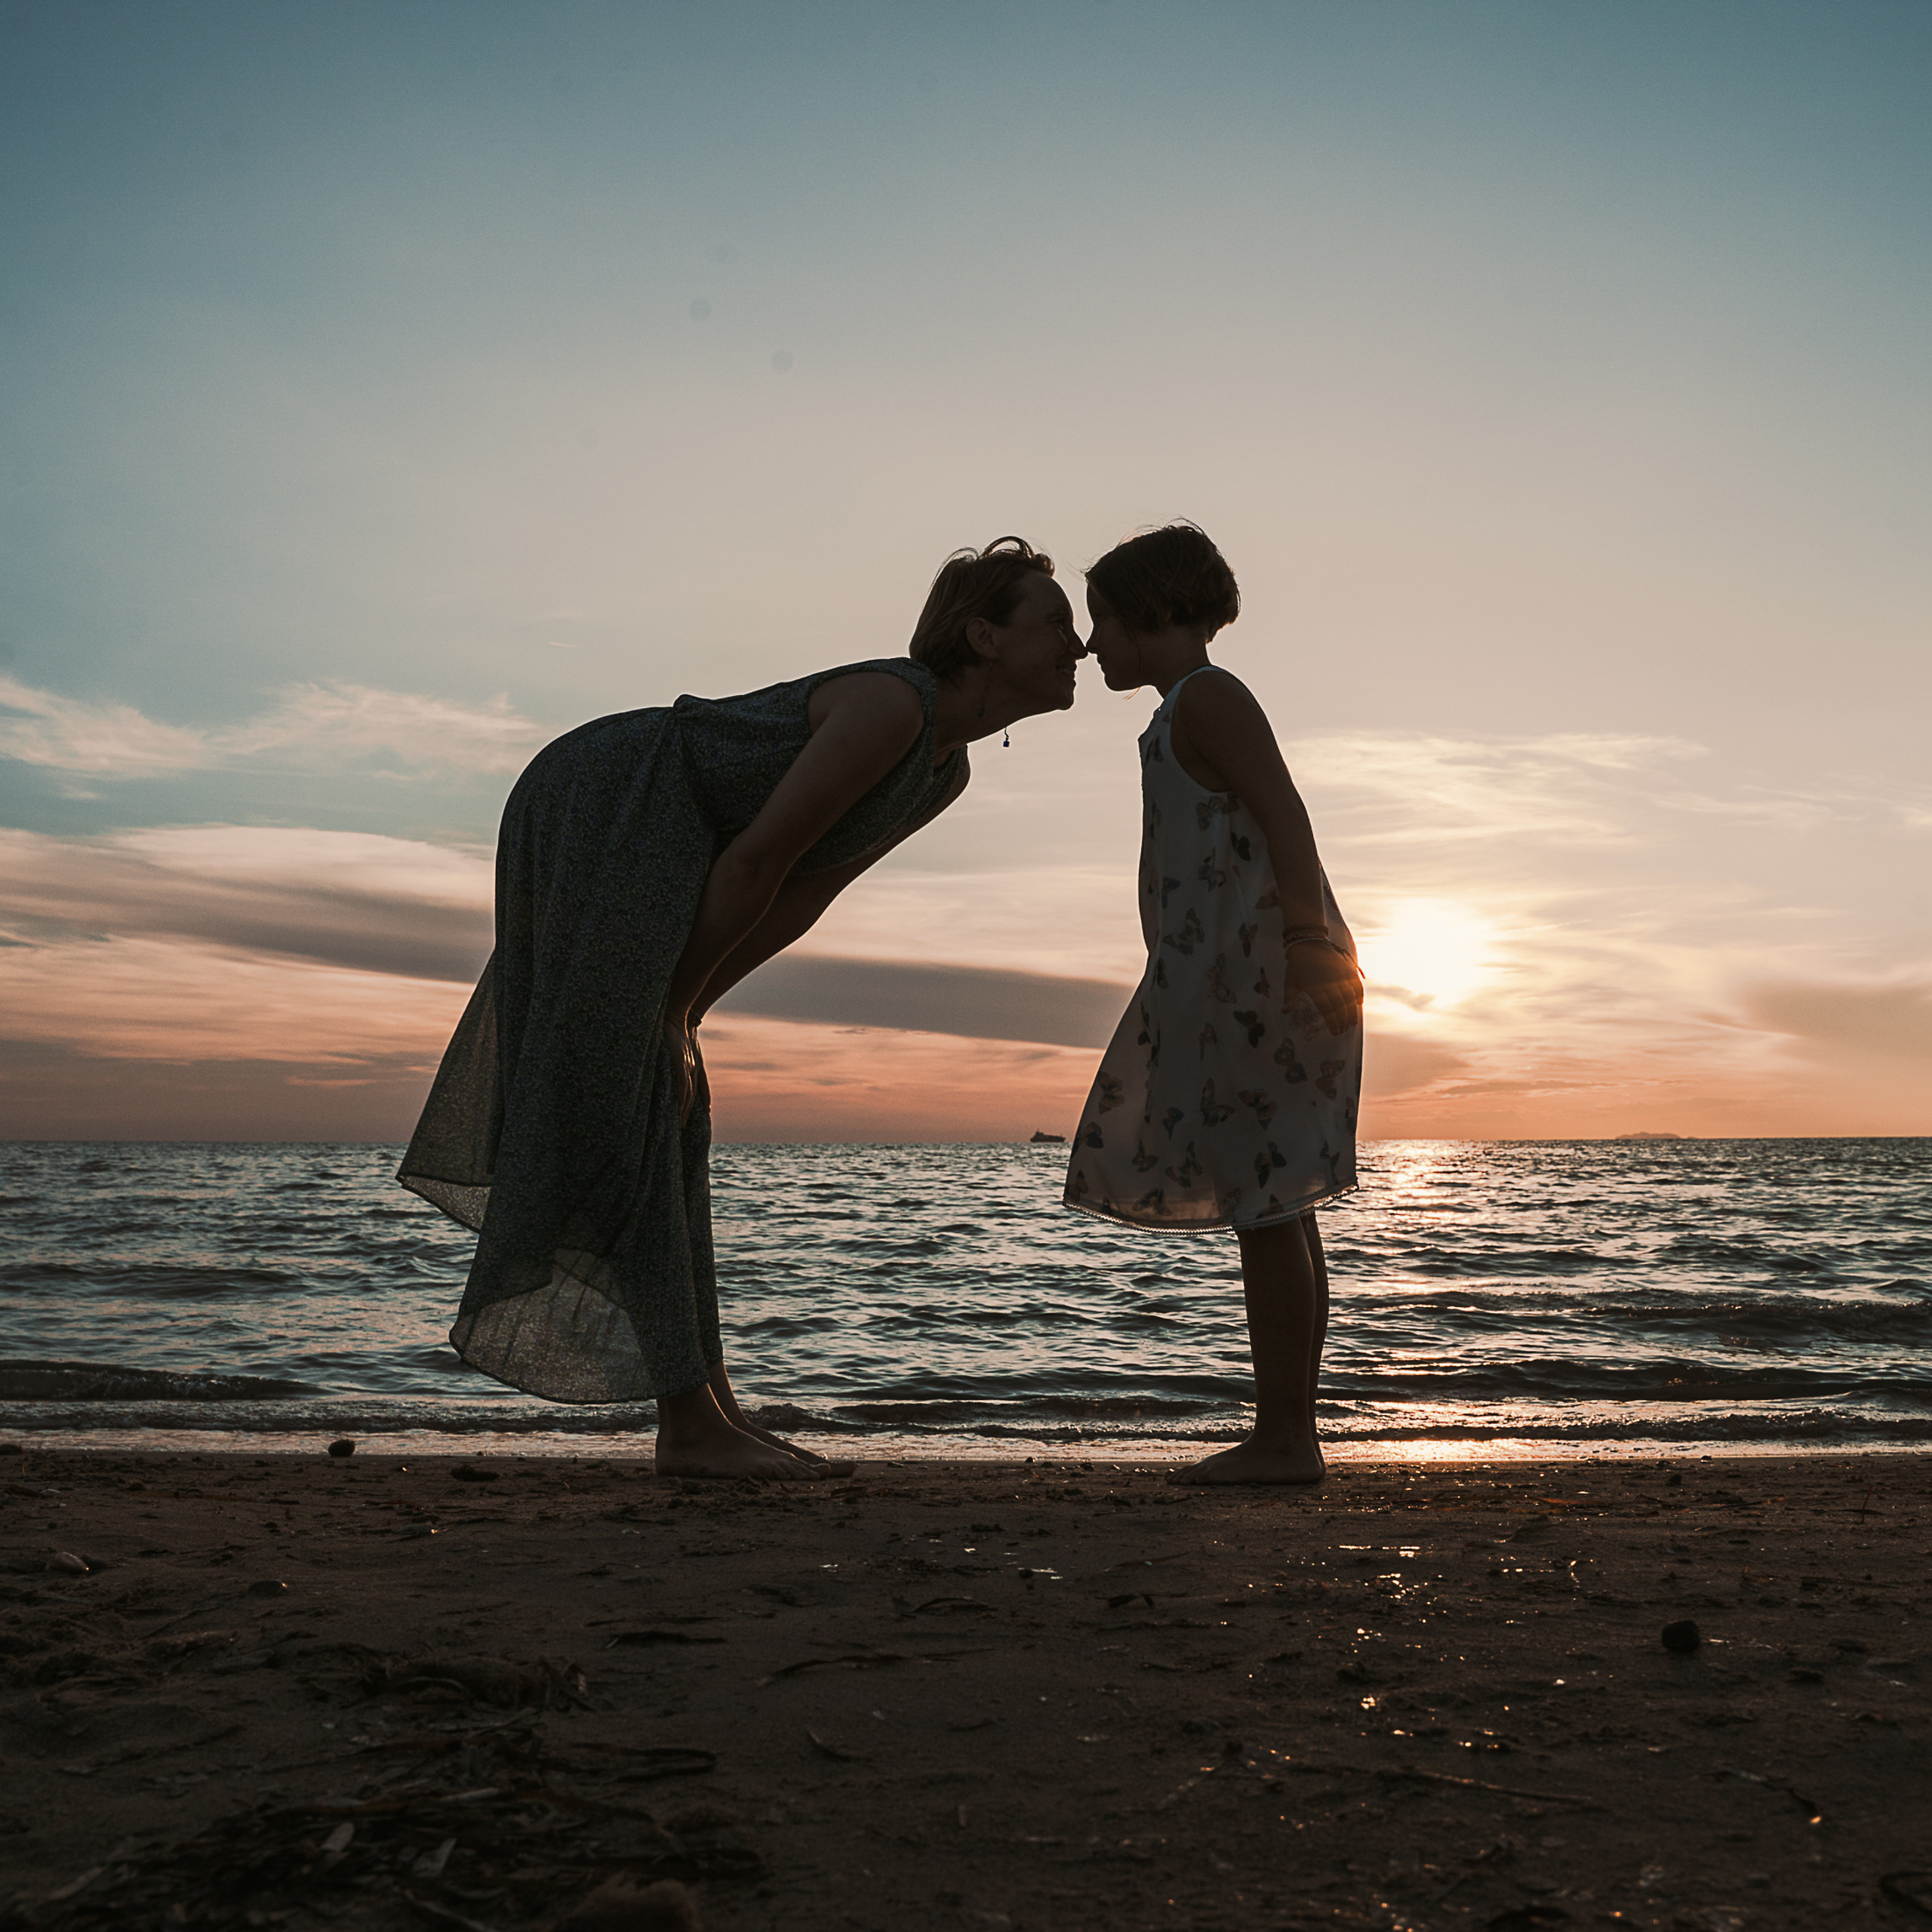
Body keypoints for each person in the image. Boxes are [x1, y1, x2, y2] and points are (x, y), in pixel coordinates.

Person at [400, 537, 1086, 1480]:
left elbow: (801, 895)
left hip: (678, 839)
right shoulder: (893, 704)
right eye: (1055, 622)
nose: (1077, 643)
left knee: (674, 1105)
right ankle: (687, 1427)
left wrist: (686, 1016)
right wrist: (668, 1011)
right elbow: (757, 860)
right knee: (632, 1088)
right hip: (618, 799)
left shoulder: (946, 767)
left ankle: (709, 1405)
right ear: (982, 635)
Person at [1063, 524, 1363, 1484]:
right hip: (1228, 982)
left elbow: (1283, 811)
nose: (1089, 641)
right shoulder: (1177, 711)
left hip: (1265, 978)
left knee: (1267, 1206)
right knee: (1272, 1202)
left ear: (1151, 612)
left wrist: (1310, 946)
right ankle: (1289, 1432)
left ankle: (1285, 1438)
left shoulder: (1209, 697)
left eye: (1100, 619)